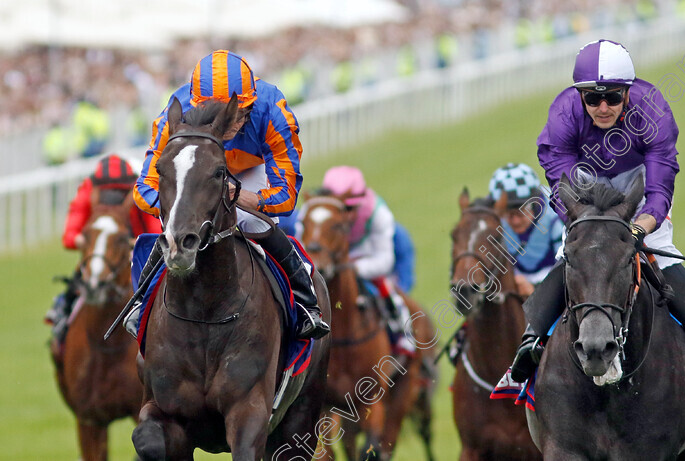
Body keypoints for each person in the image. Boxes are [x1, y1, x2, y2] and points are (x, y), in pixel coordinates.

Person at [509, 39, 685, 388]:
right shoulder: (564, 113)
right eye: (592, 98)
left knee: (665, 257)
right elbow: (559, 181)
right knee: (571, 254)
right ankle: (530, 340)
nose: (601, 107)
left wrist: (639, 230)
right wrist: (583, 223)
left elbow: (659, 190)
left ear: (627, 92)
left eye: (612, 97)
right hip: (585, 186)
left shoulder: (653, 110)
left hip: (638, 186)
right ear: (580, 96)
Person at [129, 50, 329, 340]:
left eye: (239, 113)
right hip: (198, 176)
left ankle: (305, 300)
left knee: (252, 222)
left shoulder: (274, 112)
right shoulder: (172, 116)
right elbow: (143, 190)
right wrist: (183, 206)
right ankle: (141, 301)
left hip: (250, 173)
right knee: (176, 227)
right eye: (218, 116)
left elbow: (285, 196)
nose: (230, 124)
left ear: (251, 103)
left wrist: (240, 196)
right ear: (199, 106)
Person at [46, 154, 162, 343]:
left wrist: (135, 244)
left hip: (137, 254)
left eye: (119, 193)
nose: (112, 200)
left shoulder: (141, 189)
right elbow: (69, 235)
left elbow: (156, 232)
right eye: (108, 193)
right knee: (77, 283)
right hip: (98, 254)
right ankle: (62, 320)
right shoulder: (88, 190)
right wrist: (83, 241)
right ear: (97, 188)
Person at [321, 165, 415, 357]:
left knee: (385, 286)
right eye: (341, 208)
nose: (346, 216)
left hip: (362, 258)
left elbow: (385, 260)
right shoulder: (316, 211)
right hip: (330, 257)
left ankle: (403, 334)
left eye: (350, 208)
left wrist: (352, 268)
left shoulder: (378, 214)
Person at [487, 163, 565, 297]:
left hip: (557, 284)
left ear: (535, 204)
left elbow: (567, 266)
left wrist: (536, 291)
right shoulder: (494, 221)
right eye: (508, 214)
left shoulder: (556, 216)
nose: (515, 221)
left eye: (521, 212)